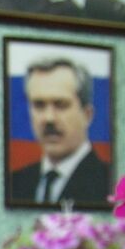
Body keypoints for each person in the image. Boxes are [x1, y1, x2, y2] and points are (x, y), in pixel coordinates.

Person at [9, 57, 111, 206]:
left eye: (61, 105)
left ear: (87, 115)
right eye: (39, 105)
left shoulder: (107, 183)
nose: (49, 118)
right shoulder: (16, 181)